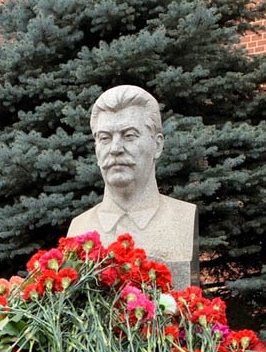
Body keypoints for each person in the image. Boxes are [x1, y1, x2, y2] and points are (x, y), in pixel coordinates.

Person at [67, 84, 199, 289]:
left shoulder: (183, 217)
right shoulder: (78, 231)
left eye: (129, 136)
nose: (115, 149)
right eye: (105, 138)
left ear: (157, 145)